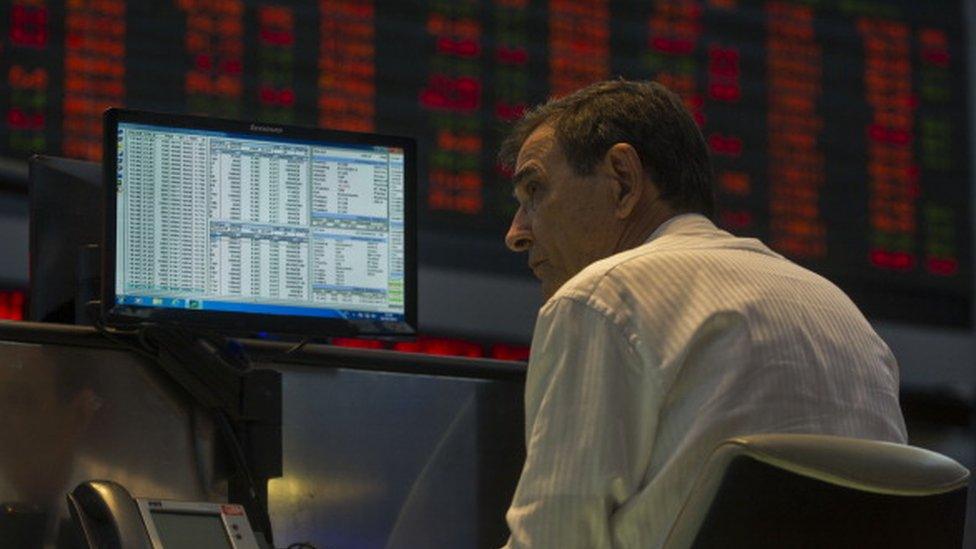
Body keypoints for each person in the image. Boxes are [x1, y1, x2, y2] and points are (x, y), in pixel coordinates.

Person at [498, 79, 907, 548]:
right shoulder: (841, 312)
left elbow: (554, 542)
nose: (517, 232)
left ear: (622, 179)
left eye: (535, 190)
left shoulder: (600, 298)